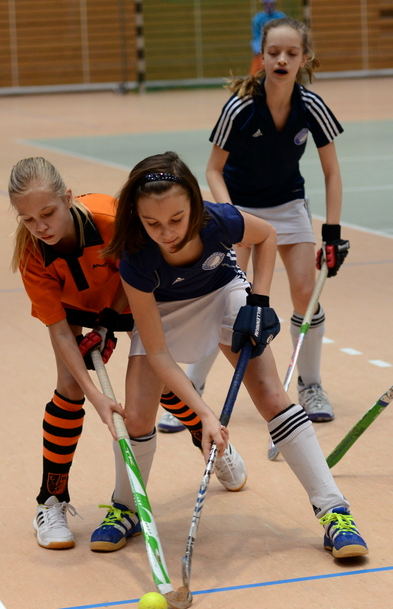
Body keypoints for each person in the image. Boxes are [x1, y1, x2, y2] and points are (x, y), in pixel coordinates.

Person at [104, 150, 368, 560]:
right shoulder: (136, 257)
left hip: (222, 293)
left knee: (272, 396)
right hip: (164, 310)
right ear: (137, 217)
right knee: (136, 416)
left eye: (177, 219)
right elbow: (157, 353)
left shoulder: (217, 219)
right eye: (152, 223)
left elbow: (266, 236)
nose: (166, 232)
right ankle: (126, 507)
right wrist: (205, 416)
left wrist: (258, 301)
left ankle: (335, 511)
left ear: (194, 205)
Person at [9, 156, 246, 555]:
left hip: (131, 296)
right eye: (28, 219)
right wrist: (97, 397)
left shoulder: (109, 217)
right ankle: (50, 501)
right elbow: (60, 332)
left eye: (48, 213)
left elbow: (134, 270)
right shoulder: (32, 254)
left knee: (154, 386)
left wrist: (106, 323)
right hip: (72, 310)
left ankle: (207, 438)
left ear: (67, 198)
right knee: (70, 388)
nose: (41, 227)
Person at [206, 16, 350, 423]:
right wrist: (230, 216)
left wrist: (332, 234)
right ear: (262, 57)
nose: (282, 59)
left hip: (288, 205)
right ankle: (195, 387)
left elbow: (332, 172)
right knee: (226, 297)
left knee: (306, 292)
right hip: (240, 207)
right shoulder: (240, 107)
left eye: (291, 53)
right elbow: (213, 169)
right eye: (274, 53)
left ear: (305, 58)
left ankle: (311, 386)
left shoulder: (312, 106)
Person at [250, 0, 285, 75]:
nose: (269, 6)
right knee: (258, 70)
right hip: (263, 48)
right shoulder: (258, 18)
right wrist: (259, 49)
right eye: (267, 4)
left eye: (271, 4)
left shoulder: (281, 17)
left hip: (279, 47)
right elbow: (256, 36)